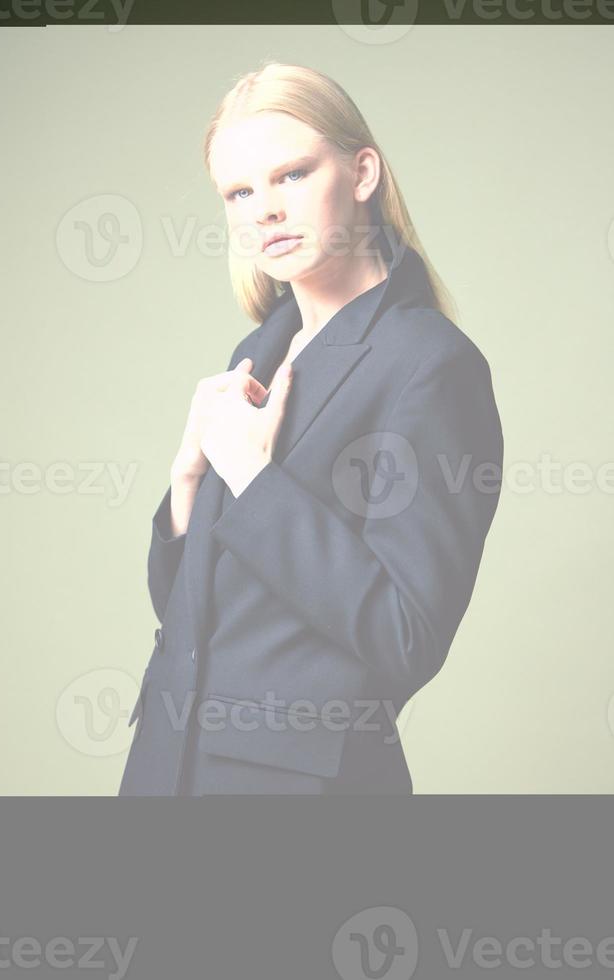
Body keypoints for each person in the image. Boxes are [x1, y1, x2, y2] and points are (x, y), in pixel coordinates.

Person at [118, 61, 504, 796]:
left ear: (362, 174)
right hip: (166, 774)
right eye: (239, 191)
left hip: (297, 792)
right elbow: (192, 618)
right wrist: (187, 483)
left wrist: (258, 484)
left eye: (291, 175)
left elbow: (406, 636)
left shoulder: (430, 365)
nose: (263, 209)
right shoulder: (255, 352)